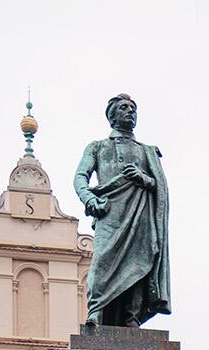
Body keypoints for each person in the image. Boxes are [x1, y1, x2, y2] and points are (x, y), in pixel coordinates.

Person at [72, 94, 170, 327]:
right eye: (124, 108)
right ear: (112, 115)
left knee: (140, 261)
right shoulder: (98, 147)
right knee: (101, 261)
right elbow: (79, 177)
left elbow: (160, 187)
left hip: (140, 212)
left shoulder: (147, 151)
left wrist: (143, 178)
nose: (130, 112)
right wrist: (89, 200)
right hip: (110, 212)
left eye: (133, 109)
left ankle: (131, 317)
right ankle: (95, 311)